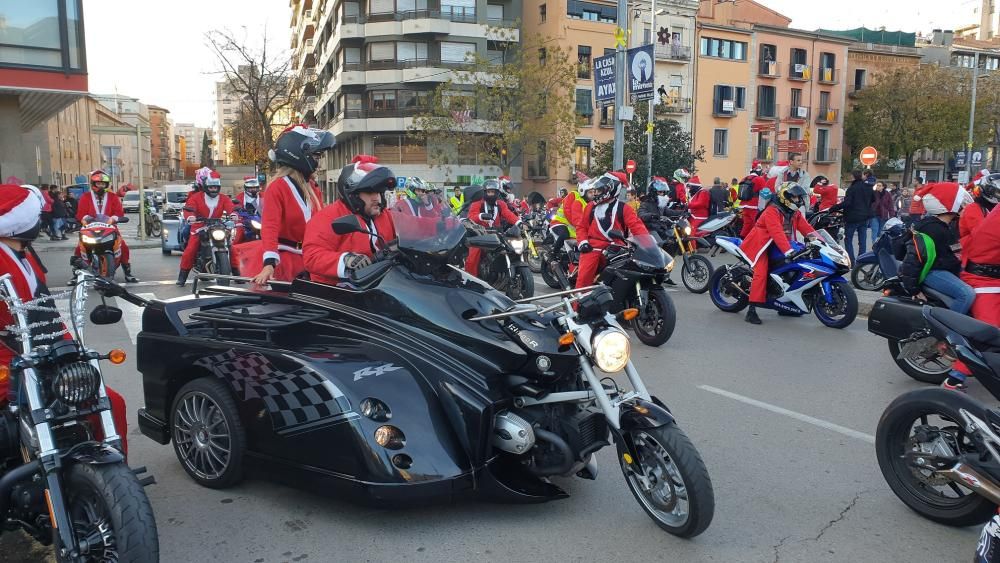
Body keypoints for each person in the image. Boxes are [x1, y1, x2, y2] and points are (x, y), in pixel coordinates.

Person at [0, 184, 129, 447]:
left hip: (43, 356)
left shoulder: (25, 254)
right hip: (9, 360)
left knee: (110, 402)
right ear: (20, 221)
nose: (40, 219)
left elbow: (45, 312)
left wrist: (71, 348)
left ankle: (115, 476)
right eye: (35, 215)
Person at [237, 125, 332, 285]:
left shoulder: (313, 188)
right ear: (299, 154)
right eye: (316, 156)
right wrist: (269, 264)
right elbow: (269, 227)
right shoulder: (277, 187)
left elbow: (320, 224)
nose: (318, 162)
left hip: (311, 258)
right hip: (286, 261)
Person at [303, 157, 397, 284]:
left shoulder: (384, 215)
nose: (377, 198)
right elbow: (312, 256)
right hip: (338, 292)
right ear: (353, 194)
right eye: (370, 192)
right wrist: (346, 259)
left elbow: (412, 228)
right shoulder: (329, 216)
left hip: (379, 283)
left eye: (379, 192)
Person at [738, 182, 818, 325]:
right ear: (785, 197)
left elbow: (806, 228)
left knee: (795, 267)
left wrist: (819, 241)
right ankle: (752, 310)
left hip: (781, 243)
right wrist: (788, 250)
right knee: (761, 273)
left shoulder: (793, 212)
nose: (798, 201)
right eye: (795, 198)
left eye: (799, 198)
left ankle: (786, 304)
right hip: (760, 244)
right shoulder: (772, 211)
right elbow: (776, 232)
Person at [898, 182, 976, 315]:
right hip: (933, 271)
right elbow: (912, 260)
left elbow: (956, 251)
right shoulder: (931, 229)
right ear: (949, 204)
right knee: (966, 294)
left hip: (945, 269)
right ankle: (950, 331)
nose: (964, 205)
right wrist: (914, 290)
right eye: (961, 202)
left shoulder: (946, 226)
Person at [575, 172, 649, 290]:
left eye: (599, 191)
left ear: (611, 189)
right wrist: (583, 242)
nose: (595, 194)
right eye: (595, 191)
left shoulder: (624, 208)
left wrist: (648, 245)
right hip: (593, 247)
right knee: (584, 279)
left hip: (618, 249)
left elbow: (638, 228)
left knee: (627, 275)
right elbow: (581, 227)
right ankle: (577, 306)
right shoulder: (590, 207)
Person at [73, 170, 138, 283]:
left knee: (123, 247)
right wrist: (84, 219)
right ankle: (76, 273)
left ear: (107, 185)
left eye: (103, 184)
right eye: (98, 183)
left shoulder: (113, 197)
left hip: (109, 228)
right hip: (89, 229)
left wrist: (114, 218)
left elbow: (119, 213)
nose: (101, 186)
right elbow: (80, 213)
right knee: (79, 248)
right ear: (93, 184)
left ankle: (127, 273)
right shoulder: (85, 197)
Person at [176, 171, 236, 286]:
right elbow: (189, 208)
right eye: (211, 187)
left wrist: (233, 214)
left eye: (215, 187)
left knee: (231, 246)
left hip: (217, 225)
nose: (213, 189)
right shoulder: (196, 197)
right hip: (199, 225)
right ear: (205, 187)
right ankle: (182, 276)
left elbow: (230, 207)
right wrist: (191, 216)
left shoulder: (223, 198)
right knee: (191, 249)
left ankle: (236, 271)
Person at [465, 179, 521, 277]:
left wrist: (519, 222)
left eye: (493, 192)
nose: (491, 194)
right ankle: (470, 279)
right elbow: (470, 217)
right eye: (489, 192)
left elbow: (508, 214)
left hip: (497, 234)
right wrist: (480, 216)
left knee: (511, 248)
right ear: (485, 192)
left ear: (497, 192)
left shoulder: (501, 204)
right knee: (473, 256)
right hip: (481, 234)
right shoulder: (477, 203)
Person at [837, 169, 874, 262]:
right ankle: (862, 260)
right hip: (865, 217)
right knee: (862, 240)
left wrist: (833, 208)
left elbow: (847, 203)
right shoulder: (868, 187)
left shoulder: (852, 189)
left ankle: (851, 261)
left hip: (852, 217)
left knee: (848, 239)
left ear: (853, 177)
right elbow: (873, 199)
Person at [549, 182, 588, 263]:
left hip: (570, 225)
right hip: (559, 222)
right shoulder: (573, 194)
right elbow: (567, 210)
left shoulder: (586, 201)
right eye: (590, 191)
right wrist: (576, 224)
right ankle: (553, 254)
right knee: (564, 234)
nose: (592, 193)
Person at [960, 173, 999, 250]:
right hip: (976, 253)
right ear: (989, 191)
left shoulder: (992, 208)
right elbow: (983, 235)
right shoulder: (973, 208)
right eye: (998, 193)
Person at [737, 161, 768, 238]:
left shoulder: (744, 179)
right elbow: (765, 192)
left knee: (746, 224)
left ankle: (742, 240)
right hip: (754, 205)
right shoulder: (759, 179)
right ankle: (754, 241)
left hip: (744, 205)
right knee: (757, 224)